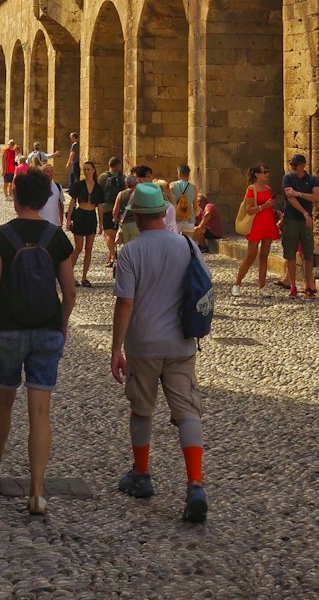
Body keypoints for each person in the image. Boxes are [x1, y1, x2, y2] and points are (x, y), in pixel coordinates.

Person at [0, 167, 77, 516]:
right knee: (40, 411)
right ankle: (36, 492)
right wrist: (62, 323)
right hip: (47, 328)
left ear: (15, 197)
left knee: (3, 399)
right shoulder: (58, 238)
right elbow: (70, 290)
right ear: (47, 198)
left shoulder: (1, 236)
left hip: (7, 328)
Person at [110, 181, 208, 524]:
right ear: (162, 213)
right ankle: (195, 483)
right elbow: (204, 290)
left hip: (144, 344)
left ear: (136, 214)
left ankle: (141, 474)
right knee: (187, 412)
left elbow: (125, 304)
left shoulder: (131, 252)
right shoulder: (188, 246)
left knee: (141, 409)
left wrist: (116, 348)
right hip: (181, 343)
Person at [231, 164, 281, 297]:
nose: (267, 174)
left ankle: (262, 287)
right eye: (265, 172)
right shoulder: (251, 189)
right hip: (256, 224)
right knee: (251, 255)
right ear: (257, 175)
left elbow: (267, 206)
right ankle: (237, 283)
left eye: (268, 171)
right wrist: (265, 206)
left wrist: (273, 209)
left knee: (264, 256)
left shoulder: (268, 189)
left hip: (268, 223)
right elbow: (248, 209)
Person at [280, 153, 319, 299]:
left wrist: (299, 193)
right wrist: (305, 213)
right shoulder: (288, 178)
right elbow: (290, 198)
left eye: (295, 165)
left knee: (307, 254)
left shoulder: (312, 180)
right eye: (292, 165)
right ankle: (292, 286)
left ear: (303, 165)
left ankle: (308, 286)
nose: (293, 167)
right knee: (290, 254)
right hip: (292, 219)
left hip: (305, 222)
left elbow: (317, 197)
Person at [67, 159, 104, 286]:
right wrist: (68, 219)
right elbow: (72, 201)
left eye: (88, 169)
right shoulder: (78, 185)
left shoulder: (98, 187)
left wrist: (101, 224)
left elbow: (100, 206)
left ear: (93, 170)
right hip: (80, 215)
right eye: (85, 169)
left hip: (91, 216)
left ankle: (84, 277)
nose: (86, 171)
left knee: (89, 249)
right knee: (78, 248)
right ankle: (69, 275)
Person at [99, 157, 126, 268]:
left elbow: (99, 193)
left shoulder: (103, 177)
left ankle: (114, 257)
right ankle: (110, 257)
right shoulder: (122, 177)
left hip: (106, 208)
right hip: (119, 208)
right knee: (113, 234)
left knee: (107, 234)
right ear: (117, 165)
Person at [170, 164, 198, 235]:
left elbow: (170, 203)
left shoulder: (172, 185)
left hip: (176, 218)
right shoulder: (193, 188)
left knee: (175, 243)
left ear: (179, 173)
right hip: (189, 218)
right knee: (188, 242)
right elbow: (195, 206)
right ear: (188, 174)